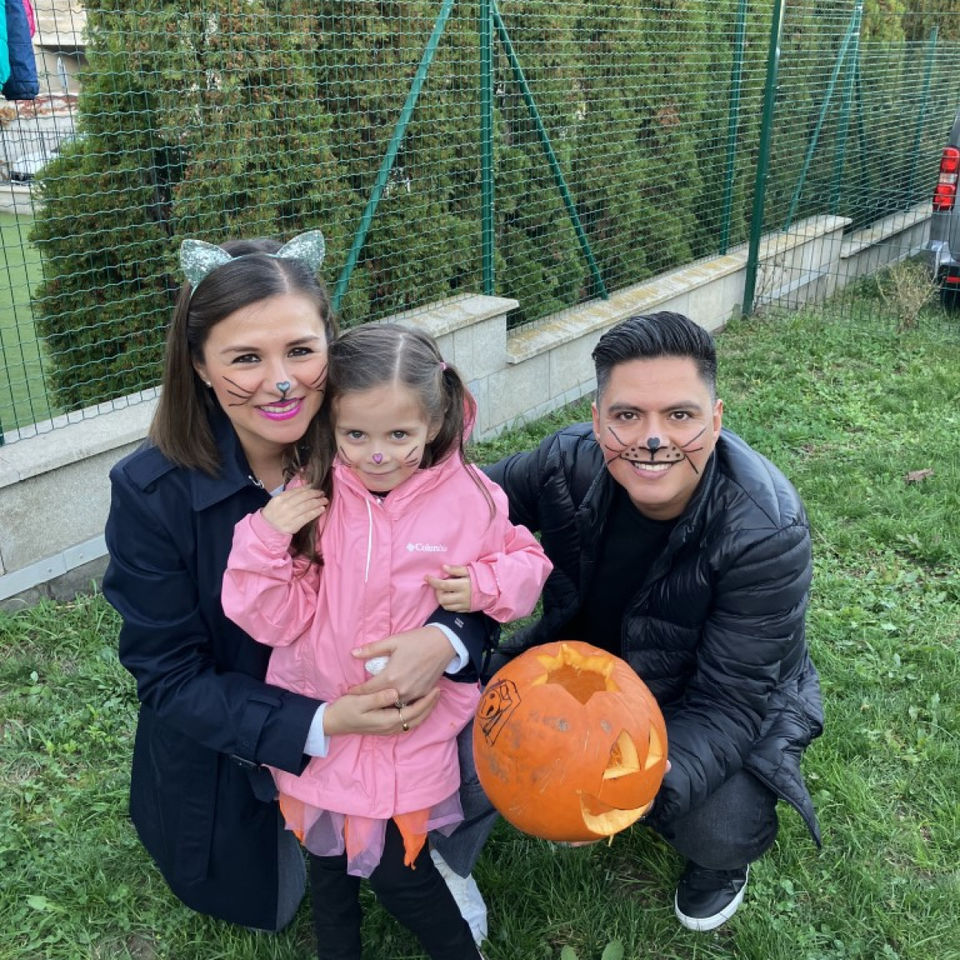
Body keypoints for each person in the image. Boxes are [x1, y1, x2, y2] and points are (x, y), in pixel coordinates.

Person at [102, 232, 495, 933]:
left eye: (300, 352)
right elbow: (167, 678)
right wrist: (319, 723)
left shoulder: (374, 442)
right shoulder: (149, 493)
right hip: (244, 733)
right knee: (275, 902)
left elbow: (476, 559)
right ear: (197, 364)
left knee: (467, 745)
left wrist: (446, 637)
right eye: (245, 358)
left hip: (393, 720)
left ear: (332, 350)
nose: (280, 382)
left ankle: (427, 842)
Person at [432, 310, 824, 933]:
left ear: (715, 420)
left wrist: (615, 791)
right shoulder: (567, 462)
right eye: (626, 416)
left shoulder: (765, 532)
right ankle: (446, 864)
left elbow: (730, 703)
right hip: (578, 675)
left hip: (698, 695)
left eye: (680, 415)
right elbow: (456, 511)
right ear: (597, 420)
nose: (652, 439)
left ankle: (718, 864)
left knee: (719, 824)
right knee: (451, 753)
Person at [221, 322, 552, 959]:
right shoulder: (312, 497)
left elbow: (527, 564)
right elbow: (274, 618)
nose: (377, 454)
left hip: (406, 730)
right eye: (356, 435)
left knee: (400, 869)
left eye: (399, 434)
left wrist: (483, 582)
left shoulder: (473, 500)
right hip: (326, 719)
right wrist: (263, 538)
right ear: (331, 427)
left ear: (434, 422)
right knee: (327, 865)